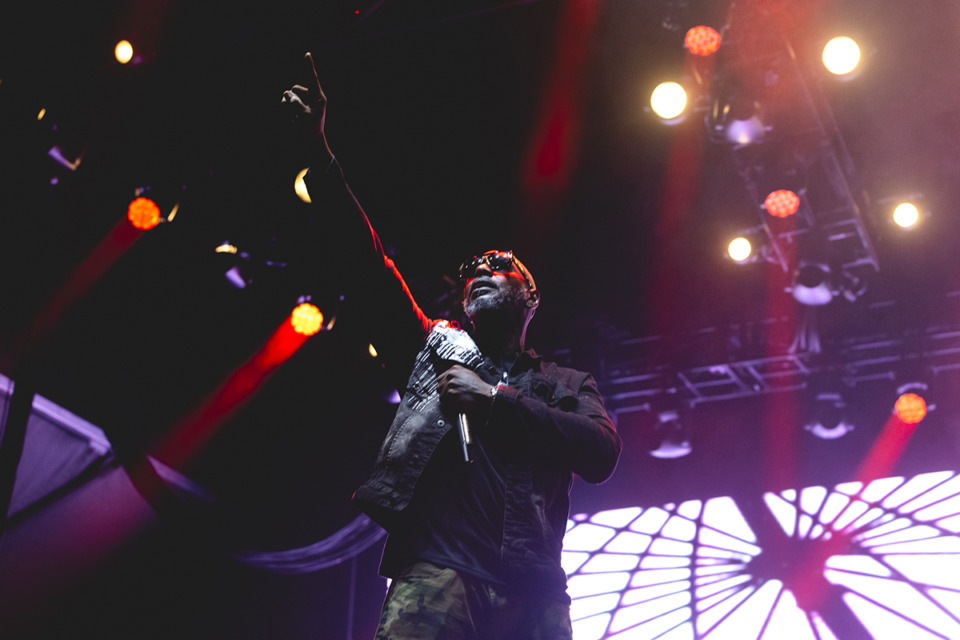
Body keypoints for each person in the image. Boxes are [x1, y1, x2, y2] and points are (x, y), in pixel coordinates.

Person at [282, 53, 621, 640]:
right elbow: (368, 268)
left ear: (531, 299)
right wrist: (319, 154)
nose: (482, 270)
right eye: (471, 272)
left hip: (532, 587)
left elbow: (600, 452)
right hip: (436, 570)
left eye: (501, 266)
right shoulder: (432, 351)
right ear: (462, 303)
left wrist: (494, 399)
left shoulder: (566, 384)